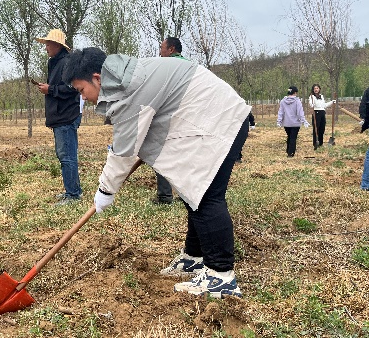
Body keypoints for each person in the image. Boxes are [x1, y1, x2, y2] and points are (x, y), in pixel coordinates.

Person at [63, 47, 250, 298]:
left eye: (81, 90)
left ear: (97, 78)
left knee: (206, 197)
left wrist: (105, 191)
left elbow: (122, 152)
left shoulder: (129, 90)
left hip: (219, 122)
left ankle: (220, 276)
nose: (83, 97)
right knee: (192, 194)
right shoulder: (126, 78)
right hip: (207, 118)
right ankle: (194, 258)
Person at [34, 29, 83, 204]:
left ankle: (73, 195)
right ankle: (73, 190)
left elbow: (73, 87)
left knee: (67, 156)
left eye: (48, 44)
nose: (46, 47)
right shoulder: (54, 62)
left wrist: (51, 89)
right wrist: (49, 88)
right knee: (65, 155)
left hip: (66, 115)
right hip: (60, 115)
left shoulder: (67, 62)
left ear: (57, 45)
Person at [151, 36, 188, 204]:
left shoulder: (165, 66)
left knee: (161, 154)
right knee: (184, 154)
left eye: (162, 48)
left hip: (169, 116)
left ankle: (165, 196)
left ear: (171, 49)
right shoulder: (190, 65)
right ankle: (186, 193)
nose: (160, 52)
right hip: (188, 117)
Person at [277, 86, 309, 157]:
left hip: (286, 123)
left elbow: (281, 112)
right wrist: (304, 121)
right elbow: (300, 112)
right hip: (295, 123)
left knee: (289, 136)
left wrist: (279, 121)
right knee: (293, 138)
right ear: (295, 93)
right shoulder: (297, 101)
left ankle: (288, 150)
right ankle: (291, 153)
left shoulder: (283, 101)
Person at [308, 84, 336, 149]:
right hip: (316, 113)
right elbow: (311, 104)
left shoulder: (321, 96)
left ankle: (321, 143)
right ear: (313, 90)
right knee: (316, 129)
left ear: (319, 89)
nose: (316, 89)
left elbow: (324, 105)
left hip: (322, 112)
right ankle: (315, 143)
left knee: (322, 128)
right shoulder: (312, 96)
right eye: (315, 88)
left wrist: (332, 102)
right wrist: (312, 104)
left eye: (317, 88)